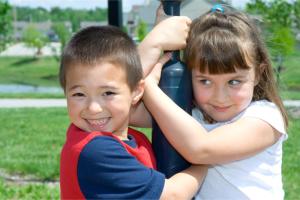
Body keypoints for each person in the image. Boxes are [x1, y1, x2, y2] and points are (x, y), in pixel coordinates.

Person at [132, 4, 289, 200]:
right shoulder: (191, 112)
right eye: (205, 81)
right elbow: (123, 108)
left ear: (258, 73)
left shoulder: (265, 118)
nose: (219, 97)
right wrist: (157, 45)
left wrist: (150, 88)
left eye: (234, 81)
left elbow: (201, 149)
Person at [59, 19, 208, 199]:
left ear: (137, 92)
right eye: (79, 95)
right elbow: (172, 195)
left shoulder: (135, 139)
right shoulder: (95, 150)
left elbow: (166, 114)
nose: (93, 108)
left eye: (107, 93)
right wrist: (205, 160)